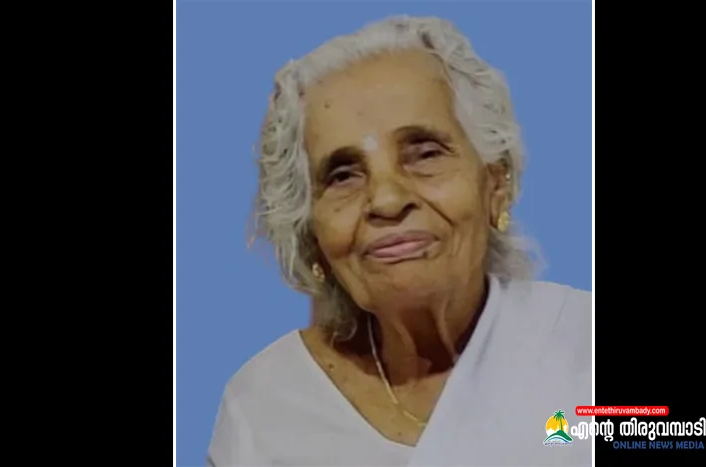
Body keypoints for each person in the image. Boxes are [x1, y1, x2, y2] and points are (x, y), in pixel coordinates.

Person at [207, 15, 591, 467]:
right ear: (310, 233)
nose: (386, 200)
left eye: (424, 154)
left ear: (496, 183)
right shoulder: (262, 409)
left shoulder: (582, 351)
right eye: (343, 175)